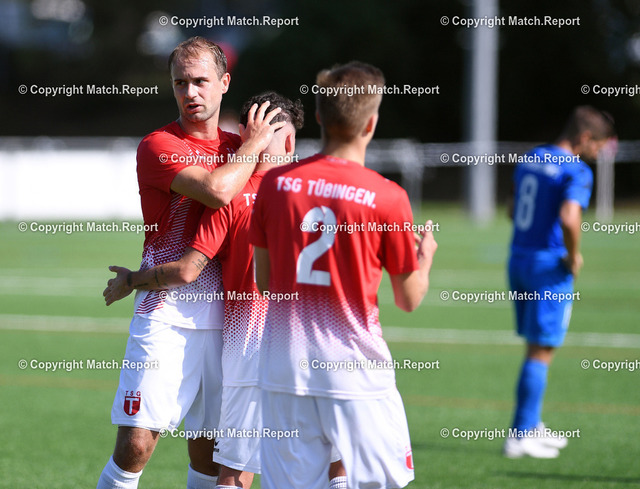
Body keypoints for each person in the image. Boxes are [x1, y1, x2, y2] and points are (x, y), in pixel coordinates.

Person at [97, 37, 285, 489]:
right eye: (180, 82)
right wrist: (255, 144)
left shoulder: (240, 147)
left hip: (230, 319)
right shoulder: (159, 145)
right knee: (136, 444)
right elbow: (218, 191)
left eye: (200, 81)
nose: (190, 92)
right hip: (166, 311)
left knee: (210, 452)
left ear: (224, 83)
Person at [249, 61, 438, 488]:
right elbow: (409, 299)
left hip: (284, 368)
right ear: (371, 123)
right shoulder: (388, 197)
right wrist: (424, 258)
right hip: (354, 371)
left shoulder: (275, 185)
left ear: (318, 116)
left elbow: (265, 283)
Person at [504, 106, 616, 459]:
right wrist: (573, 256)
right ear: (585, 137)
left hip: (518, 258)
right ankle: (520, 436)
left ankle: (531, 423)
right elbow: (569, 218)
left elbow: (512, 210)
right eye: (597, 146)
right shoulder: (576, 170)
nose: (596, 154)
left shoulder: (531, 157)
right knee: (542, 350)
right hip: (548, 266)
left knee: (534, 347)